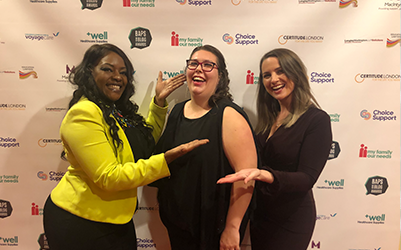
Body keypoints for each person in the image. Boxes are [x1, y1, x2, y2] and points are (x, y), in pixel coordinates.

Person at [43, 43, 207, 250]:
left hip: (115, 218)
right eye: (107, 69)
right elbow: (109, 176)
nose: (118, 77)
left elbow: (144, 141)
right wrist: (164, 161)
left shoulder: (115, 110)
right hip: (81, 220)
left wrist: (159, 102)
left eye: (123, 72)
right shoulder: (83, 113)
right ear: (88, 73)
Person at [217, 48, 332, 250]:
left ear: (296, 74)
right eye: (267, 75)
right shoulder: (267, 121)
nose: (273, 79)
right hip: (261, 215)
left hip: (292, 218)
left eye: (280, 71)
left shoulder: (316, 120)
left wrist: (266, 175)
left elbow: (307, 178)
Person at [152, 45, 257, 250]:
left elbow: (246, 176)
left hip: (213, 230)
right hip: (179, 226)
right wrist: (158, 101)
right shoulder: (177, 111)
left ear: (220, 76)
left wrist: (232, 228)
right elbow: (161, 160)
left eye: (208, 65)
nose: (199, 69)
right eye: (193, 63)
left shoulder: (229, 115)